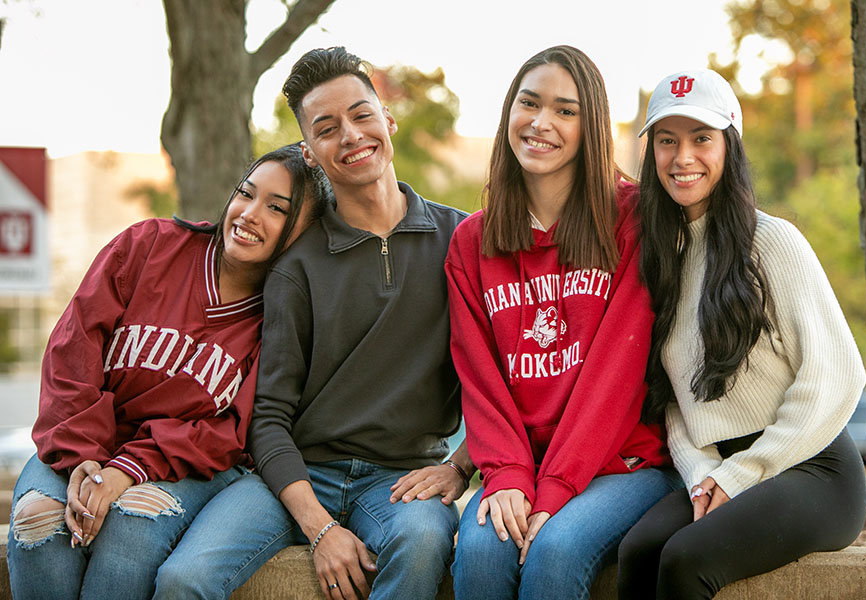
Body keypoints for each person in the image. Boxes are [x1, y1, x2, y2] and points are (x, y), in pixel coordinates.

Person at [153, 47, 470, 600]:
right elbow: (269, 415)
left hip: (403, 479)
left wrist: (461, 466)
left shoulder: (461, 241)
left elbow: (505, 381)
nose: (349, 135)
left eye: (361, 114)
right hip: (299, 474)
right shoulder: (298, 265)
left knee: (421, 545)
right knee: (184, 578)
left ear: (386, 119)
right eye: (327, 128)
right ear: (311, 152)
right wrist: (320, 528)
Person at [6, 144, 321, 600]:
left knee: (133, 525)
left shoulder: (280, 316)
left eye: (276, 209)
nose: (250, 214)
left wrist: (127, 471)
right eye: (246, 193)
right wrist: (84, 459)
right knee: (38, 522)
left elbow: (230, 431)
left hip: (181, 467)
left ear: (303, 233)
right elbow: (73, 352)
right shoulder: (148, 246)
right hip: (80, 443)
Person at [616, 69, 866, 599]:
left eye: (701, 139)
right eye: (667, 141)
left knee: (686, 559)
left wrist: (740, 475)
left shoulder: (773, 243)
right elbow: (676, 401)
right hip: (724, 464)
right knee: (638, 552)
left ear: (729, 145)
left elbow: (837, 376)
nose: (683, 157)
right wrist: (703, 473)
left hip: (812, 466)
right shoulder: (662, 257)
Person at [445, 45, 681, 600]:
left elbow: (616, 376)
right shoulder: (473, 243)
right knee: (479, 552)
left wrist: (554, 489)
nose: (541, 122)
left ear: (590, 125)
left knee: (555, 552)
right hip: (522, 464)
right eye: (529, 103)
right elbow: (480, 377)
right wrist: (504, 474)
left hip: (623, 462)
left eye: (566, 110)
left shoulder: (633, 218)